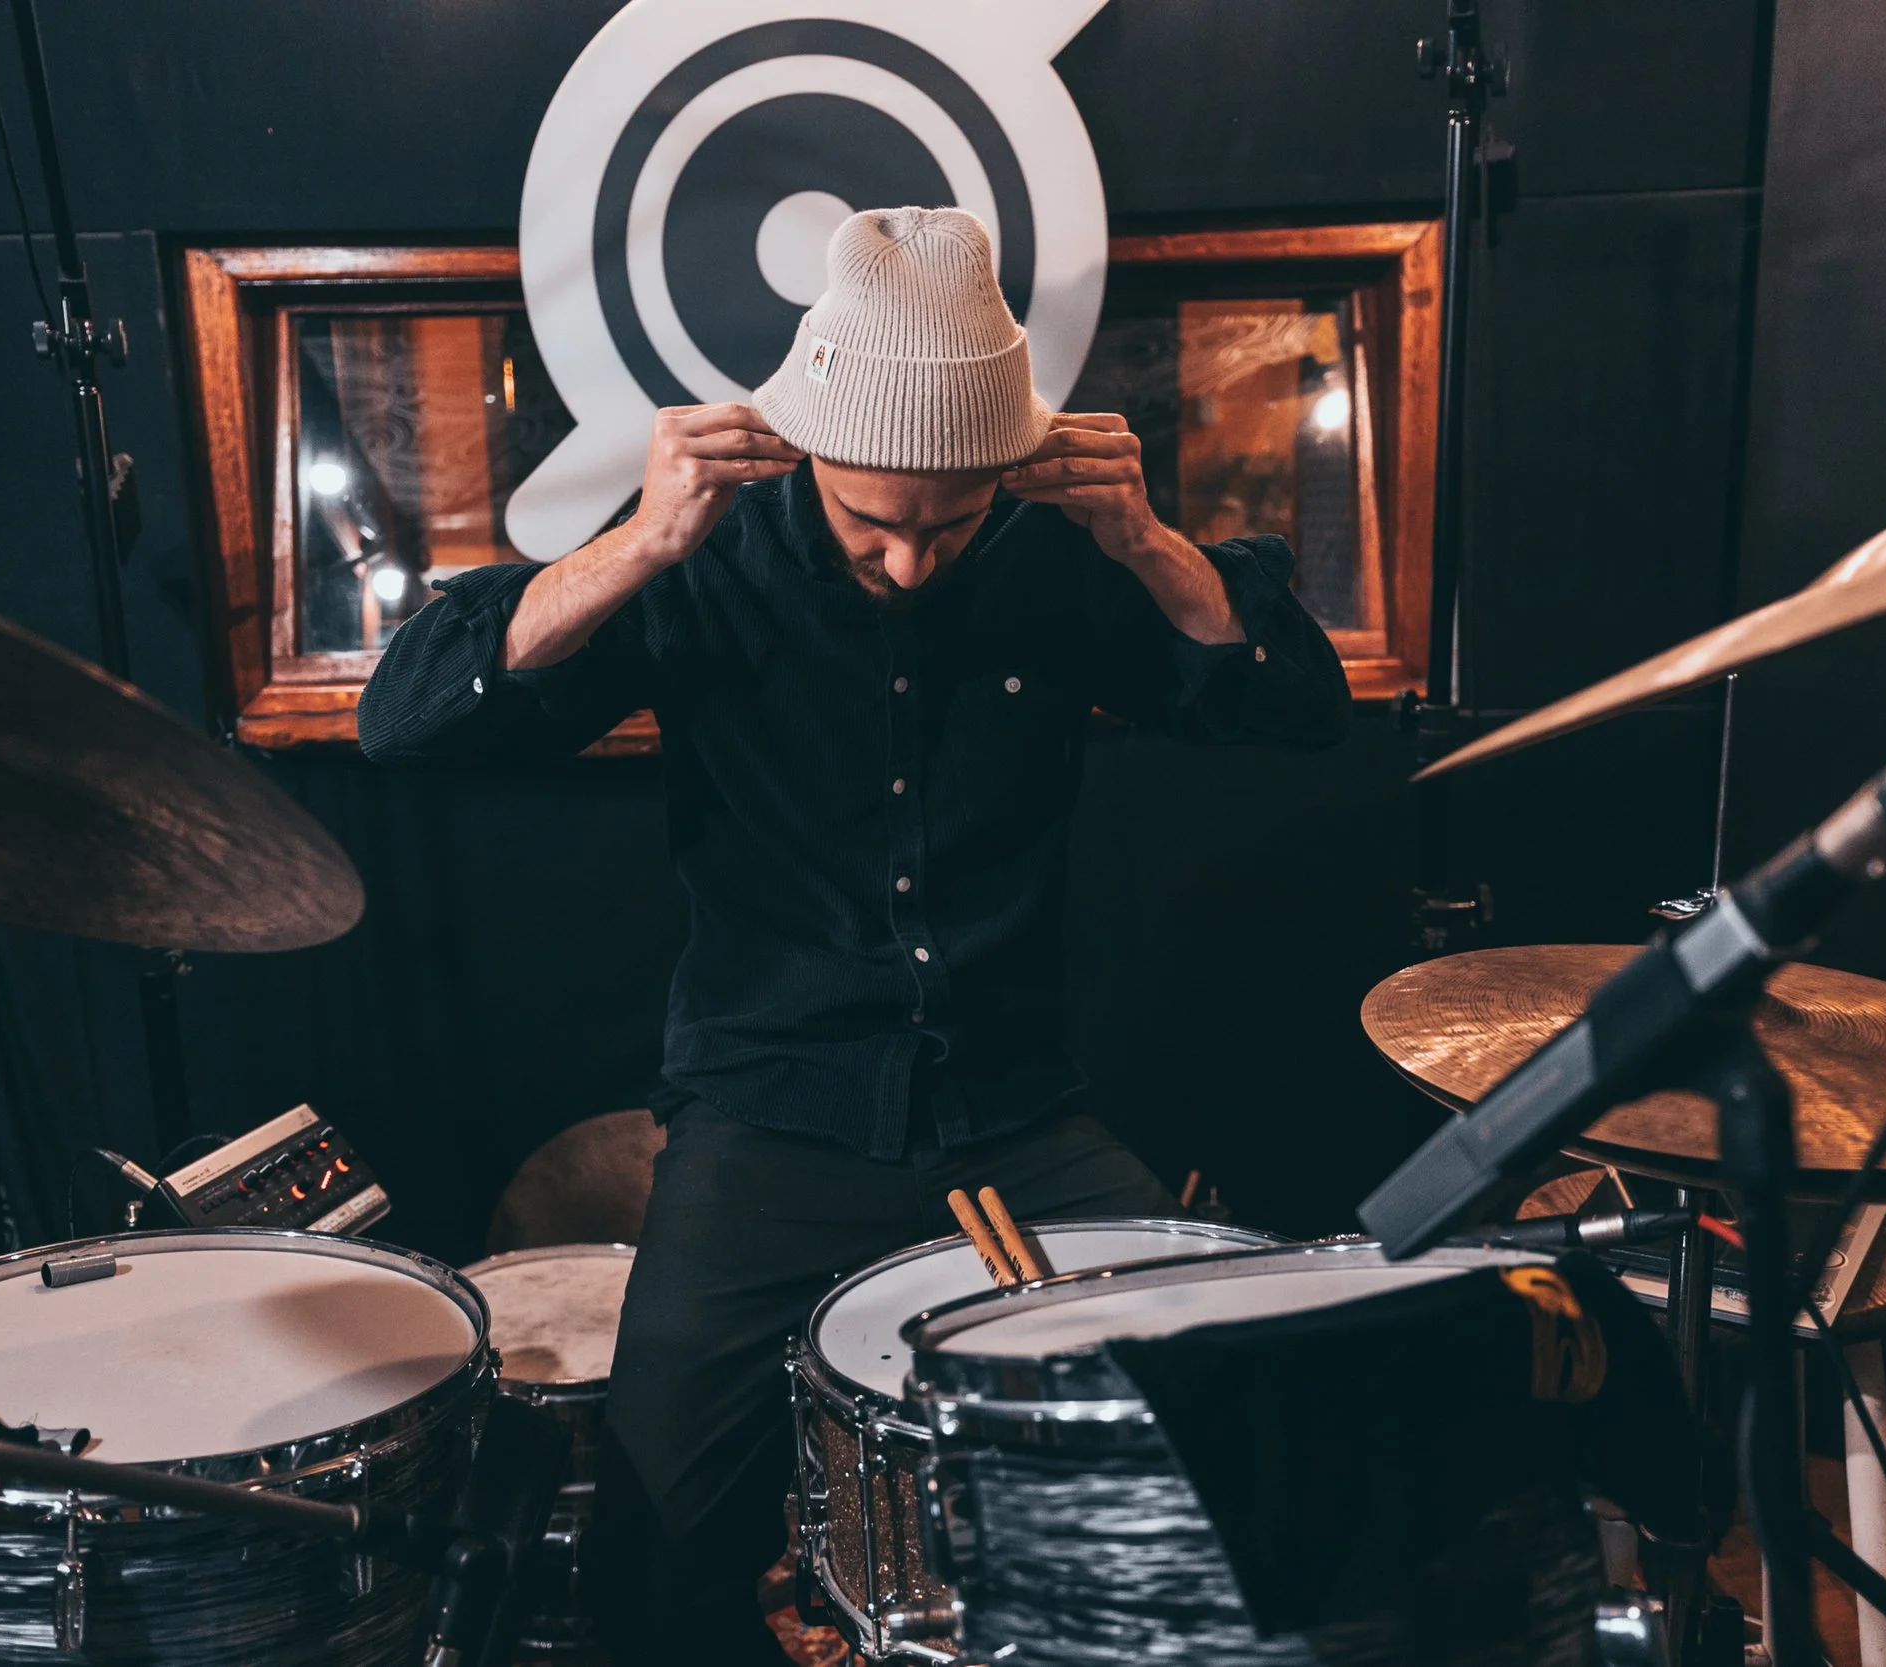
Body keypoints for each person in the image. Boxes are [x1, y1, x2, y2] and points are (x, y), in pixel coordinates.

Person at [359, 206, 1351, 1663]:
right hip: (771, 1114)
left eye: (948, 524)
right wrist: (640, 542)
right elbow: (408, 719)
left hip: (1017, 1115)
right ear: (807, 448)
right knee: (651, 1556)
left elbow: (1297, 708)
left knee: (1226, 1426)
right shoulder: (707, 549)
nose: (910, 560)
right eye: (872, 522)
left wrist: (1148, 543)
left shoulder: (1062, 547)